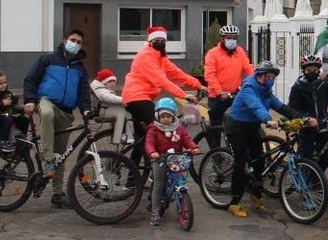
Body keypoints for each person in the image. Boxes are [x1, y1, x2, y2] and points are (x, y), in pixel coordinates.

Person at [22, 29, 94, 208]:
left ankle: (57, 193)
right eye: (73, 40)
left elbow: (83, 92)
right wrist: (30, 101)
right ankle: (48, 159)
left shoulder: (80, 68)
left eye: (79, 42)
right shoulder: (47, 59)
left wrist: (86, 110)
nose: (75, 44)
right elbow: (31, 79)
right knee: (47, 114)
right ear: (64, 40)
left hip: (66, 111)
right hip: (46, 102)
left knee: (62, 153)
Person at [223, 60, 301, 217]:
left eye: (273, 77)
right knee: (241, 161)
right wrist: (268, 120)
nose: (272, 80)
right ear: (260, 76)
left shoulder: (266, 91)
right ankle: (235, 202)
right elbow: (255, 106)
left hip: (252, 127)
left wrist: (298, 117)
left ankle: (255, 195)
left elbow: (279, 105)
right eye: (269, 76)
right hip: (237, 126)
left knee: (259, 161)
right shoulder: (249, 88)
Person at [122, 26, 205, 166]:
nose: (160, 42)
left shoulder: (161, 58)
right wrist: (183, 94)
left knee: (142, 137)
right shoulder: (145, 55)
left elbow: (177, 74)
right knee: (159, 128)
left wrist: (198, 85)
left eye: (163, 40)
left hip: (143, 98)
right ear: (150, 41)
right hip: (136, 97)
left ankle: (133, 178)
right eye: (157, 40)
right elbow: (160, 80)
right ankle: (158, 169)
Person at [143, 97, 201, 226]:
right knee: (158, 185)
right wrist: (152, 152)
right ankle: (155, 212)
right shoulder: (153, 129)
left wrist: (193, 147)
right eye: (162, 116)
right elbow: (149, 143)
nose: (165, 119)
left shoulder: (178, 128)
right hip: (160, 160)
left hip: (176, 159)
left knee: (179, 179)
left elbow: (186, 139)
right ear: (157, 116)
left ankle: (178, 195)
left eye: (168, 116)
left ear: (173, 116)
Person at [203, 24, 253, 147]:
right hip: (217, 95)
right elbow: (209, 75)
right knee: (215, 128)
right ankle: (216, 155)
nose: (232, 40)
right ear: (222, 38)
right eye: (228, 38)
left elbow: (248, 67)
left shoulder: (239, 51)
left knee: (242, 121)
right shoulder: (213, 53)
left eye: (234, 38)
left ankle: (238, 146)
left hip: (235, 93)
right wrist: (219, 91)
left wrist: (258, 80)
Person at [0, 65, 30, 154]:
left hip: (6, 114)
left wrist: (22, 109)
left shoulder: (7, 93)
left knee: (24, 119)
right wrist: (2, 103)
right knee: (8, 118)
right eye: (0, 83)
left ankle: (21, 140)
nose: (4, 85)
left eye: (5, 82)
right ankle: (3, 142)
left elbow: (12, 107)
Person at [90, 68, 130, 146]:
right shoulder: (101, 90)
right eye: (109, 81)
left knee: (123, 118)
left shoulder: (102, 89)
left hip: (105, 110)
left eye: (113, 81)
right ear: (103, 82)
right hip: (104, 111)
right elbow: (107, 97)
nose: (112, 83)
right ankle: (120, 135)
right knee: (121, 111)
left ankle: (123, 134)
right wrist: (121, 100)